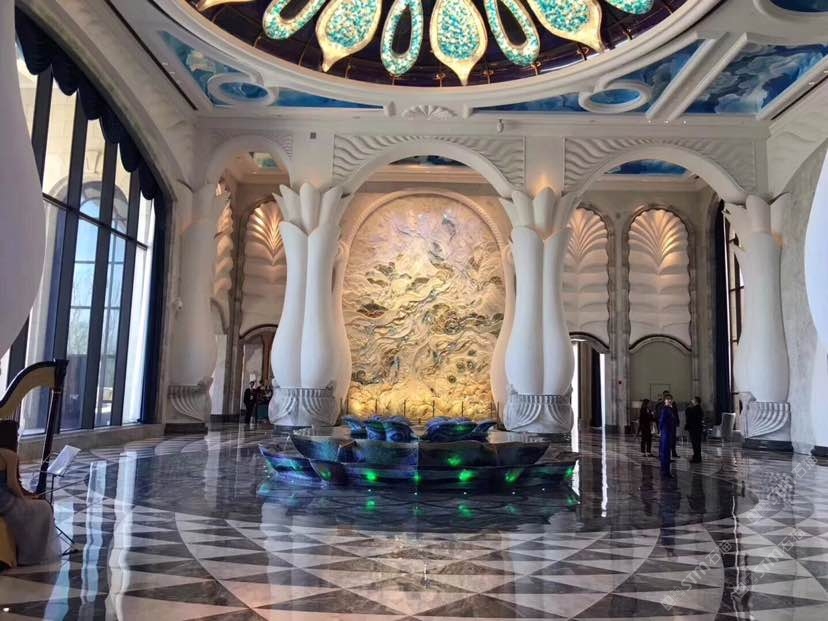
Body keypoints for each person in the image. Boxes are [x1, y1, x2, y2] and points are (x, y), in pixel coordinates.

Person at [0, 420, 60, 565]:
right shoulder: (9, 455)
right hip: (3, 499)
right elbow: (12, 484)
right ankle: (34, 553)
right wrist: (24, 499)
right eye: (16, 434)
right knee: (44, 508)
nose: (18, 436)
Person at [659, 394, 676, 476]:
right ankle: (665, 472)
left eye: (670, 399)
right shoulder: (665, 409)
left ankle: (665, 471)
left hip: (668, 432)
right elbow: (661, 421)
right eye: (668, 399)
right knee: (665, 452)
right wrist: (660, 431)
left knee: (667, 451)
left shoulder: (669, 409)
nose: (670, 400)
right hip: (666, 432)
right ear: (665, 400)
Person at [685, 396, 704, 463]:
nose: (692, 400)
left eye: (693, 400)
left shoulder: (695, 409)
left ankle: (697, 458)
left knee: (695, 444)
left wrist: (688, 408)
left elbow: (689, 416)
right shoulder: (698, 408)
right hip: (697, 428)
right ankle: (697, 457)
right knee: (697, 444)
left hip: (694, 429)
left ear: (696, 401)